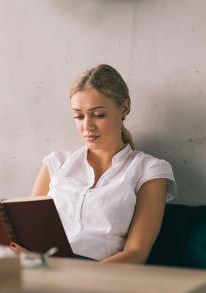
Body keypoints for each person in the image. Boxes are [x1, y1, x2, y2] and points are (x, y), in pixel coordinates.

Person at [31, 64, 177, 264]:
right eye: (78, 116)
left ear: (124, 107)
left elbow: (136, 253)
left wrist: (79, 276)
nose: (87, 127)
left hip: (101, 276)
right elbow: (27, 233)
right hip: (45, 269)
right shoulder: (56, 164)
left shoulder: (149, 171)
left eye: (99, 115)